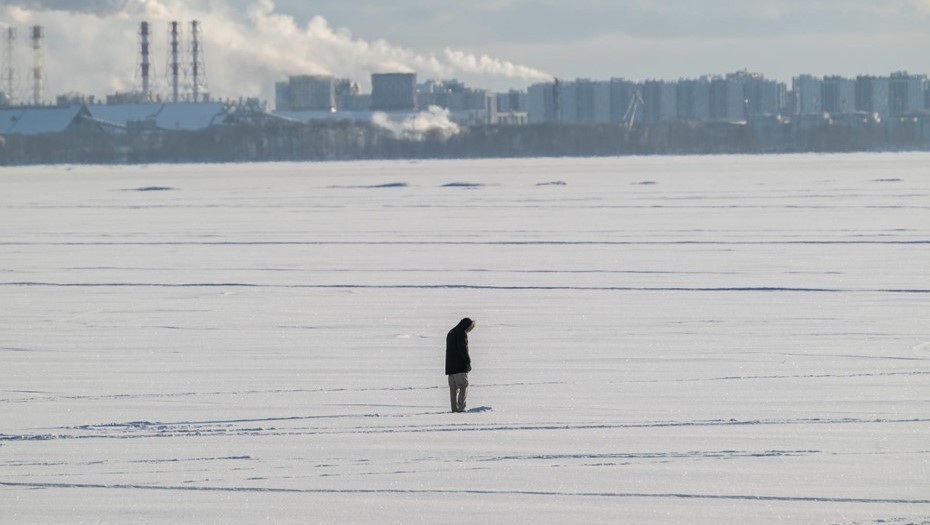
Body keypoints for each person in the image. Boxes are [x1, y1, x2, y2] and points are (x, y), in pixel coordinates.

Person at [445, 317, 475, 413]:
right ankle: (461, 409)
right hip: (459, 366)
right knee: (463, 386)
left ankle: (454, 410)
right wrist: (468, 362)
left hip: (450, 367)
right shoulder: (461, 333)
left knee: (453, 389)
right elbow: (463, 349)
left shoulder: (451, 332)